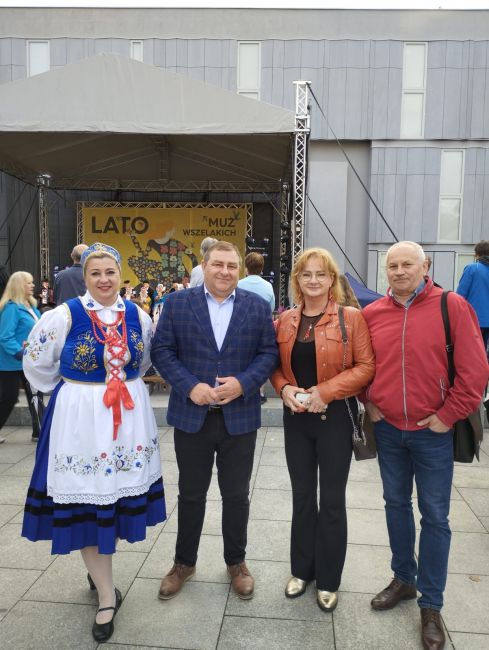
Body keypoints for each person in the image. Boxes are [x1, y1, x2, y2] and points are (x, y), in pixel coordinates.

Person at [21, 243, 166, 643]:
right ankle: (106, 595)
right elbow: (36, 362)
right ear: (84, 277)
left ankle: (98, 568)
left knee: (116, 498)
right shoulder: (63, 315)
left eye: (110, 272)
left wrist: (122, 386)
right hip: (82, 423)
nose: (104, 279)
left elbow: (145, 359)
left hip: (128, 422)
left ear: (121, 275)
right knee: (89, 499)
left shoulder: (138, 315)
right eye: (95, 273)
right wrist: (74, 393)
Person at [363, 241, 488, 650]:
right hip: (388, 430)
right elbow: (361, 366)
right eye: (393, 266)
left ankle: (431, 605)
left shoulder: (452, 307)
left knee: (435, 517)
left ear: (425, 266)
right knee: (395, 505)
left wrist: (448, 416)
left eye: (407, 264)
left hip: (433, 432)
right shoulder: (373, 313)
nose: (399, 271)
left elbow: (475, 372)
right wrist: (368, 400)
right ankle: (404, 579)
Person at [151, 240, 278, 601]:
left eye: (231, 266)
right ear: (204, 267)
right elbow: (162, 351)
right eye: (218, 264)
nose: (225, 271)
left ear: (240, 270)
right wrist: (190, 386)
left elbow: (268, 353)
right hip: (192, 416)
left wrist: (244, 383)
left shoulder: (256, 306)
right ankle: (184, 563)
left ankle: (236, 563)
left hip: (239, 417)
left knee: (236, 495)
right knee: (191, 494)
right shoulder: (177, 304)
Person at [271, 248, 375, 613]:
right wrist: (284, 388)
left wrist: (325, 393)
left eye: (320, 274)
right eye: (306, 274)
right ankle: (302, 570)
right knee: (302, 497)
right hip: (297, 419)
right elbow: (275, 367)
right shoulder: (286, 320)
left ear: (332, 279)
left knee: (331, 500)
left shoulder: (351, 318)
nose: (313, 280)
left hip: (335, 420)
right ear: (297, 280)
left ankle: (329, 578)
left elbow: (366, 367)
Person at [0, 272, 42, 444]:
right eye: (28, 283)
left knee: (36, 395)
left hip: (29, 360)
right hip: (10, 363)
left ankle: (39, 432)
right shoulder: (11, 308)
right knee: (9, 398)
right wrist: (20, 352)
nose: (33, 285)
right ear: (19, 286)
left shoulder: (31, 307)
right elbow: (5, 337)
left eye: (32, 282)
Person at [238, 252, 276, 403]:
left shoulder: (238, 284)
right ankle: (260, 393)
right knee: (260, 360)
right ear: (262, 268)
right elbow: (271, 309)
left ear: (246, 267)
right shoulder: (268, 286)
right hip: (261, 329)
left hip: (240, 329)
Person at [456, 240, 489, 359]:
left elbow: (460, 295)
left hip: (475, 319)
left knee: (473, 354)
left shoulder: (472, 268)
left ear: (476, 254)